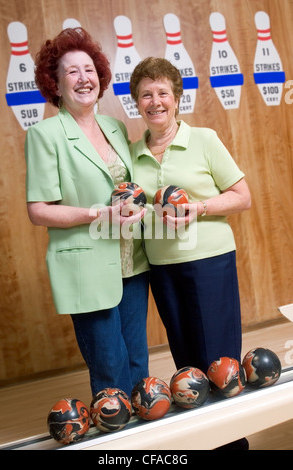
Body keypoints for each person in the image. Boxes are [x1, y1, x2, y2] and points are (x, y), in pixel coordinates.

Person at [129, 57, 251, 449]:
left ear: (177, 98)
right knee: (187, 364)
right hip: (162, 268)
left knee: (219, 361)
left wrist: (197, 208)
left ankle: (234, 442)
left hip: (209, 262)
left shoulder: (205, 139)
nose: (155, 101)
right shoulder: (133, 153)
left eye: (163, 92)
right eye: (146, 94)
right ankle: (206, 441)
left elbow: (241, 197)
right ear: (136, 102)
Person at [24, 28, 150, 398]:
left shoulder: (115, 126)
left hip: (133, 262)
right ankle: (114, 451)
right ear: (56, 84)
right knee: (111, 369)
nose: (84, 78)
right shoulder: (45, 135)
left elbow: (129, 189)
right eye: (72, 71)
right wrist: (100, 216)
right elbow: (38, 211)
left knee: (138, 365)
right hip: (86, 266)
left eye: (89, 69)